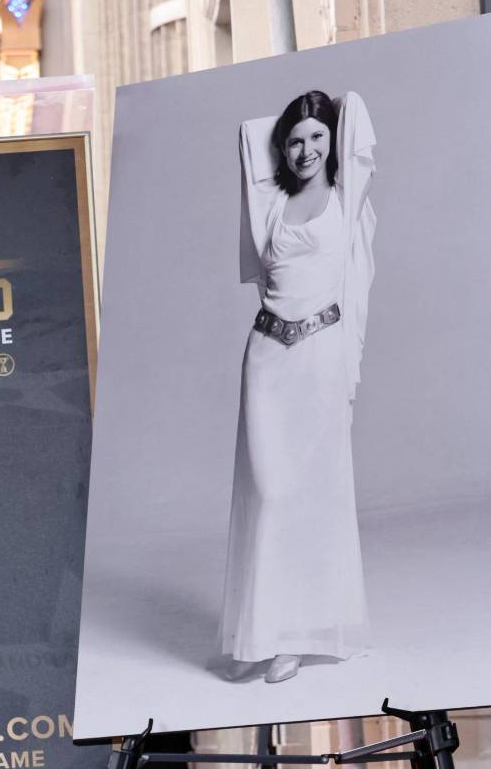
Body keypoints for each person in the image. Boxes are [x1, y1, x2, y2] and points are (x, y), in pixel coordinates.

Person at [219, 90, 377, 683]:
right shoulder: (267, 205)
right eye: (294, 139)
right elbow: (249, 132)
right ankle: (259, 634)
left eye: (317, 136)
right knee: (267, 491)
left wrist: (325, 111)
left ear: (334, 140)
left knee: (309, 494)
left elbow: (357, 114)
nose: (306, 149)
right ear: (280, 150)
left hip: (320, 357)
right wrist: (292, 123)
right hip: (265, 359)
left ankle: (297, 634)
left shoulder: (349, 201)